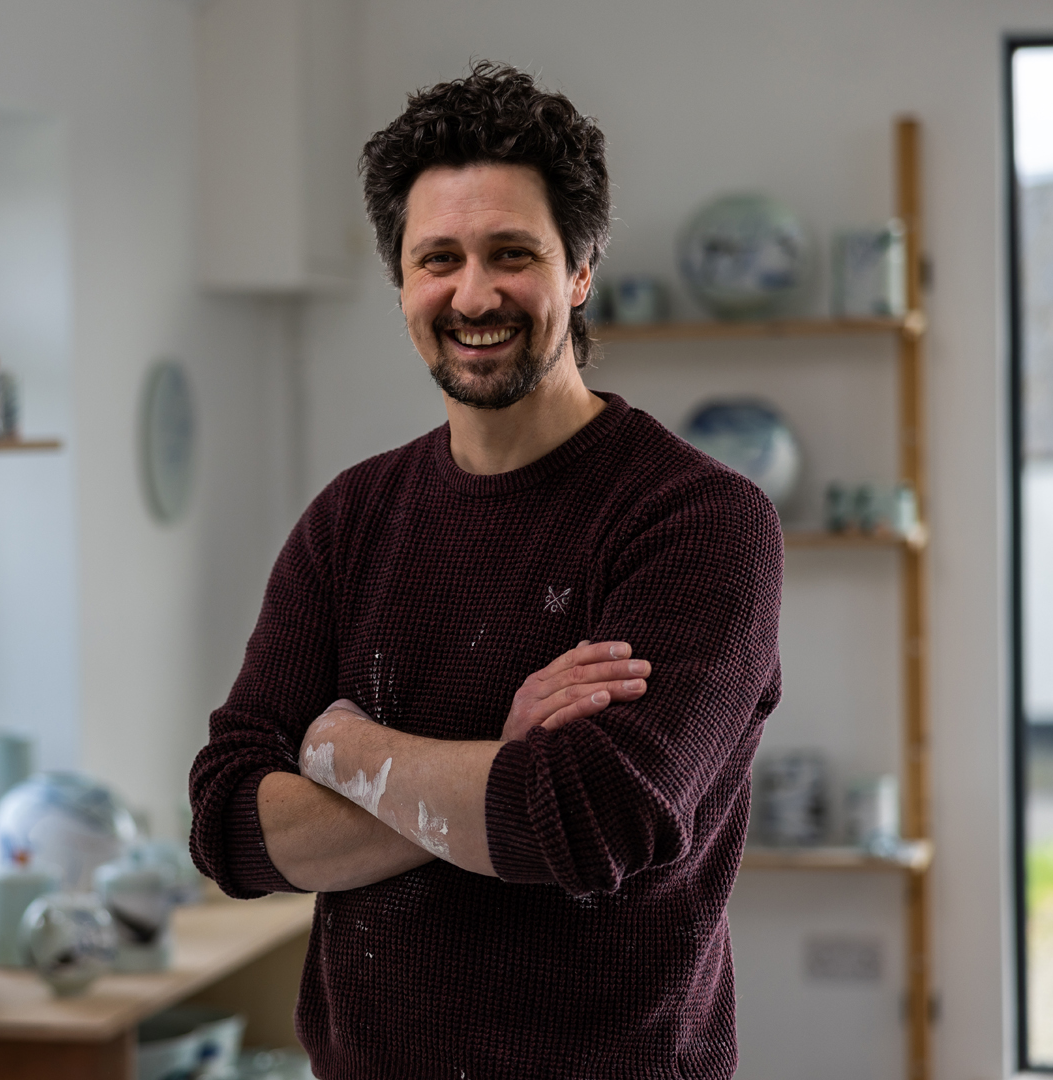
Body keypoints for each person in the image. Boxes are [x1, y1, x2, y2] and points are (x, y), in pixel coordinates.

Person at [187, 62, 783, 1079]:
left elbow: (590, 822)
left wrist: (342, 750)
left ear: (580, 269)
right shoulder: (350, 520)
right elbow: (231, 826)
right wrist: (494, 764)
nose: (474, 294)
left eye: (513, 254)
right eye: (439, 258)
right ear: (401, 282)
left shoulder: (699, 522)